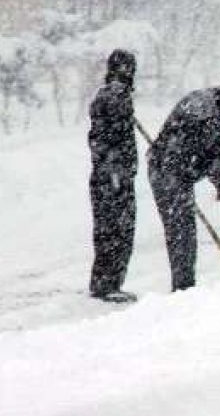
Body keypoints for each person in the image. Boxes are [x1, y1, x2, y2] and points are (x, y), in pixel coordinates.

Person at [147, 82, 220, 291]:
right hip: (168, 171)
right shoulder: (204, 109)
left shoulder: (218, 107)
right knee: (181, 232)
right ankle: (183, 288)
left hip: (177, 170)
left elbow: (213, 148)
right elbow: (203, 148)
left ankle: (185, 285)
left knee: (184, 231)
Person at [88, 49, 139, 303]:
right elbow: (106, 138)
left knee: (107, 230)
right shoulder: (116, 97)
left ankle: (102, 282)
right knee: (118, 230)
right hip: (113, 176)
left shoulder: (108, 94)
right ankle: (109, 284)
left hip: (106, 174)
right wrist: (115, 170)